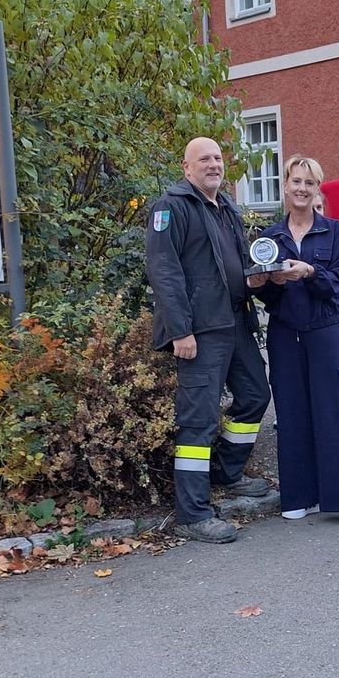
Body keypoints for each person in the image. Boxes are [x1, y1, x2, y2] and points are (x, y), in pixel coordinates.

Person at [145, 137, 272, 544]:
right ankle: (193, 514)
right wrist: (180, 330)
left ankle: (226, 474)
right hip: (199, 331)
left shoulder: (227, 207)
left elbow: (235, 262)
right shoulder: (171, 207)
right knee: (198, 420)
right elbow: (164, 270)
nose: (213, 164)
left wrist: (261, 276)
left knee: (255, 395)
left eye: (217, 158)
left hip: (235, 323)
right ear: (186, 168)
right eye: (204, 159)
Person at [250, 155, 339, 528]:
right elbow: (267, 297)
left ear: (316, 188)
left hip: (325, 332)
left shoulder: (335, 232)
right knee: (291, 413)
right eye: (295, 181)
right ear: (285, 186)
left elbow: (337, 283)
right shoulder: (270, 238)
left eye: (309, 182)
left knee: (336, 412)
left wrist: (309, 271)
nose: (301, 188)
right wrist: (261, 284)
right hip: (286, 334)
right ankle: (298, 494)